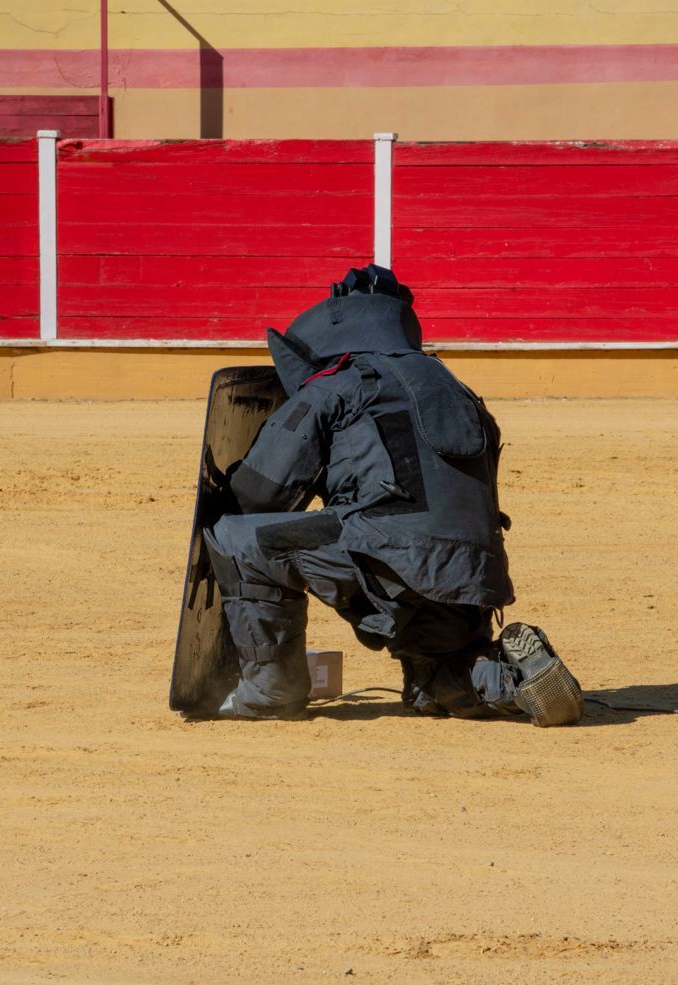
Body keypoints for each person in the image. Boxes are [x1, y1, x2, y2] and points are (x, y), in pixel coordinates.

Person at [202, 265, 583, 726]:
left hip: (390, 555)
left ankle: (270, 691)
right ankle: (516, 681)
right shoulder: (454, 387)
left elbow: (259, 494)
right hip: (472, 577)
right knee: (434, 684)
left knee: (238, 538)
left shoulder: (337, 384)